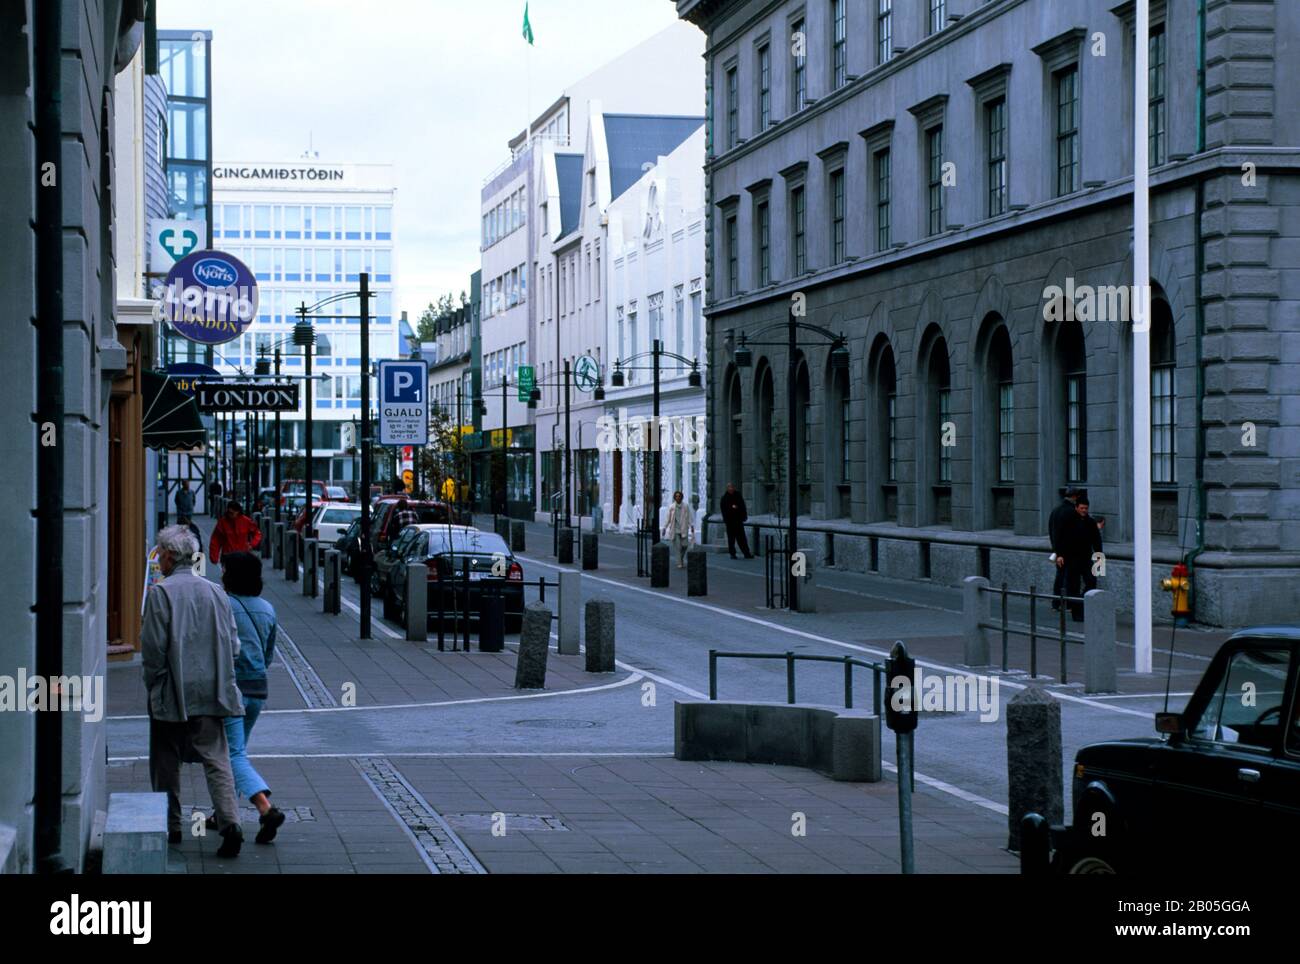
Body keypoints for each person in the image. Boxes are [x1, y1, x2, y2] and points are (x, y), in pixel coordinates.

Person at [141, 525, 245, 858]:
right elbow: (234, 645)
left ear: (169, 556)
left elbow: (154, 649)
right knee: (217, 758)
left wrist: (154, 683)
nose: (159, 559)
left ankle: (171, 824)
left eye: (160, 553)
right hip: (212, 689)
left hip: (173, 689)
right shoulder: (216, 592)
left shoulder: (161, 593)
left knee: (165, 759)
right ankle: (230, 823)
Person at [216, 552, 287, 845]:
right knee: (235, 750)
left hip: (233, 688)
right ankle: (223, 813)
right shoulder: (268, 609)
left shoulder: (224, 605)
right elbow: (269, 654)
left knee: (232, 754)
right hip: (258, 688)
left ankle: (264, 807)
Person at [1047, 486, 1080, 610]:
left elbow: (1052, 531)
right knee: (1070, 578)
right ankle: (1068, 603)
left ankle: (1056, 603)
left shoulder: (1056, 510)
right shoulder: (1072, 511)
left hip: (1058, 550)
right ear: (1074, 496)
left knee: (1060, 576)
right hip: (1070, 551)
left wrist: (1057, 551)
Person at [209, 500, 262, 565]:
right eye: (229, 512)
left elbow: (257, 533)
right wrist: (214, 557)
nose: (230, 515)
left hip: (242, 555)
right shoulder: (222, 522)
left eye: (232, 513)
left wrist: (252, 544)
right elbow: (216, 540)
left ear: (238, 512)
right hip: (228, 556)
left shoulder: (246, 521)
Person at [720, 482, 752, 559]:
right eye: (729, 487)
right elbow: (724, 510)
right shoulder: (725, 498)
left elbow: (742, 506)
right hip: (730, 522)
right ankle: (732, 553)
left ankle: (746, 553)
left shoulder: (738, 495)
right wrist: (732, 509)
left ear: (734, 488)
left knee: (742, 538)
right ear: (727, 488)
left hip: (738, 521)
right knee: (731, 539)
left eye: (732, 487)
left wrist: (744, 516)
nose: (731, 489)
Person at [663, 490, 694, 568]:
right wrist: (664, 527)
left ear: (682, 497)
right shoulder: (672, 507)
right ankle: (679, 563)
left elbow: (689, 517)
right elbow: (668, 518)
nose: (678, 498)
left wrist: (692, 526)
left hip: (683, 528)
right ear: (674, 498)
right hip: (675, 529)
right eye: (676, 496)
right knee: (678, 547)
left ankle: (681, 558)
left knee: (685, 545)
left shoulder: (686, 506)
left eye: (679, 496)